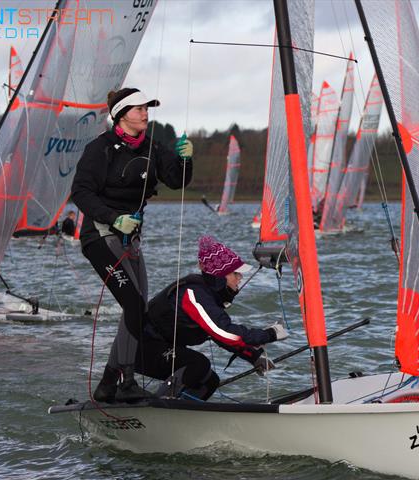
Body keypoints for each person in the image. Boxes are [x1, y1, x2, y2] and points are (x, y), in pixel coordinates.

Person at [71, 87, 194, 402]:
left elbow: (177, 180)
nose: (145, 113)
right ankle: (123, 382)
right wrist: (114, 218)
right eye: (139, 108)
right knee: (134, 306)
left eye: (147, 108)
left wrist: (186, 159)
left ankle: (108, 384)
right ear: (121, 115)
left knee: (139, 310)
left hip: (130, 242)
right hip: (99, 236)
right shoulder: (100, 149)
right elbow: (81, 193)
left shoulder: (152, 147)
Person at [92, 236, 289, 402]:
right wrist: (270, 334)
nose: (239, 278)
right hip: (140, 348)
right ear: (219, 274)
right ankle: (159, 408)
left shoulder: (208, 296)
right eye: (235, 273)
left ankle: (180, 417)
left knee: (210, 381)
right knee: (199, 365)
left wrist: (254, 357)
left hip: (160, 349)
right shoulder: (193, 294)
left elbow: (219, 335)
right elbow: (224, 332)